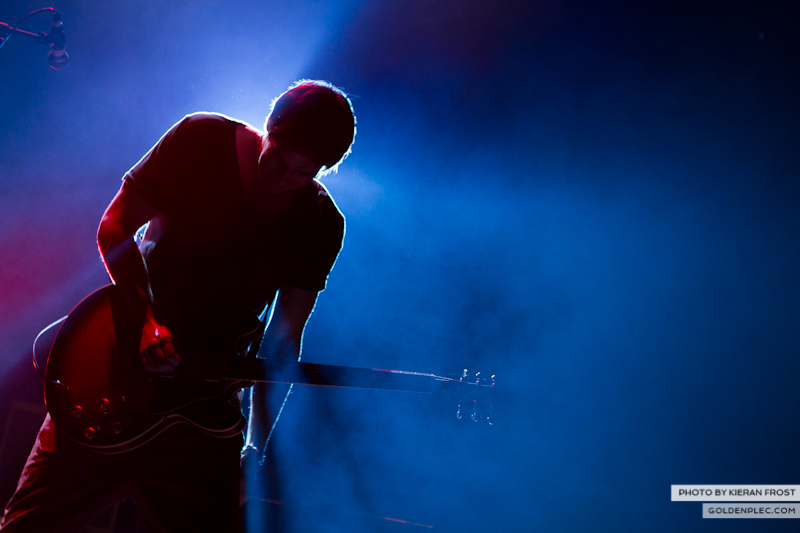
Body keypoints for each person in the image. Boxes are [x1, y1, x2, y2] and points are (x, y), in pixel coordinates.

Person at [0, 80, 356, 532]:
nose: (283, 179)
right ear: (269, 127)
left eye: (304, 173)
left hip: (203, 421)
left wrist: (254, 447)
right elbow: (114, 228)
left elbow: (283, 345)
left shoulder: (321, 223)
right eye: (279, 158)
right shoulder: (200, 139)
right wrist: (149, 321)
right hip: (114, 379)